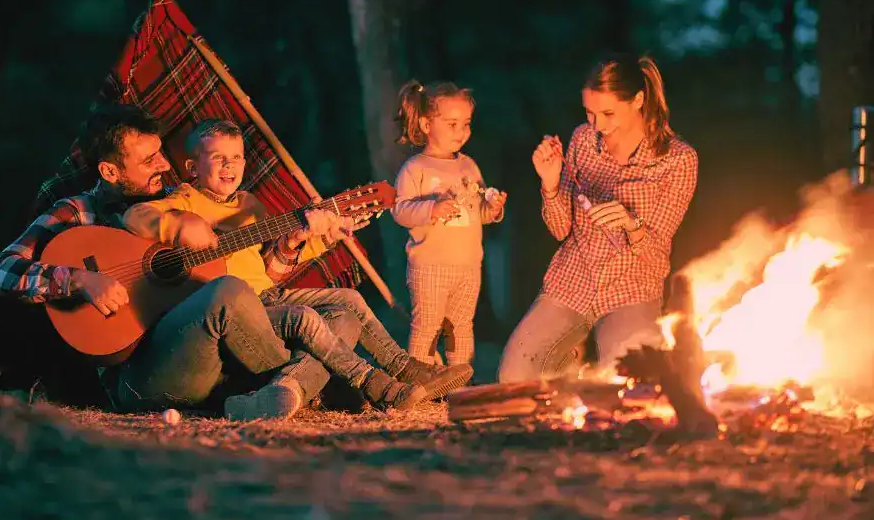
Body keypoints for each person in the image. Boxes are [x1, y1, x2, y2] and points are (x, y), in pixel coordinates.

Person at [0, 103, 433, 417]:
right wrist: (80, 279)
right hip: (145, 373)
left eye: (161, 151)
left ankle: (283, 392)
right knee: (229, 291)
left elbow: (250, 275)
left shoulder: (185, 200)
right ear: (110, 172)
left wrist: (295, 244)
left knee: (342, 316)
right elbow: (1, 271)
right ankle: (325, 386)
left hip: (217, 353)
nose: (165, 163)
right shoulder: (78, 215)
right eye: (149, 158)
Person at [121, 118, 474, 420]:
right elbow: (134, 216)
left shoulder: (249, 205)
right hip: (236, 311)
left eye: (237, 158)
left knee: (348, 301)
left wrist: (312, 238)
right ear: (193, 167)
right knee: (306, 317)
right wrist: (176, 226)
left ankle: (405, 368)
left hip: (267, 295)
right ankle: (371, 385)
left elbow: (270, 271)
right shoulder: (183, 200)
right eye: (218, 158)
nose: (229, 166)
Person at [498, 54, 699, 382]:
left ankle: (589, 372)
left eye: (608, 113)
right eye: (589, 113)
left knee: (629, 384)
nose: (598, 125)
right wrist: (550, 183)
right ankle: (569, 370)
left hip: (631, 288)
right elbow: (560, 228)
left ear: (638, 100)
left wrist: (631, 224)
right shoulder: (582, 141)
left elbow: (655, 253)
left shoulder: (678, 161)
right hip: (573, 281)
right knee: (514, 379)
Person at [390, 80, 507, 367]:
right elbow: (400, 210)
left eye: (466, 124)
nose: (462, 131)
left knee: (460, 326)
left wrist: (491, 209)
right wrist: (432, 208)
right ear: (427, 125)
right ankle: (423, 378)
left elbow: (476, 212)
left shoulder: (468, 166)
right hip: (429, 265)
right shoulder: (415, 168)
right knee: (428, 325)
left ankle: (459, 379)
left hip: (467, 266)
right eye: (452, 124)